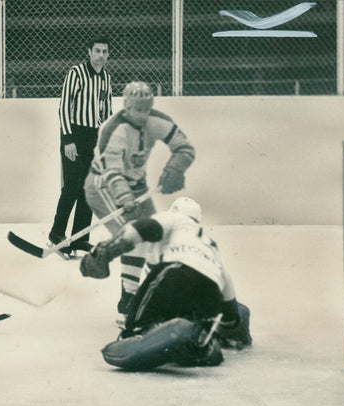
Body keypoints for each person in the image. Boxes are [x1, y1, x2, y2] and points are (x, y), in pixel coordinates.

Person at [79, 197, 251, 370]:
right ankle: (201, 344)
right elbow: (226, 283)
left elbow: (144, 230)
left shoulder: (174, 219)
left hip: (178, 271)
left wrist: (107, 250)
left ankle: (139, 331)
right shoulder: (209, 243)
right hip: (211, 287)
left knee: (140, 319)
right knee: (186, 317)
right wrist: (232, 322)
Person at [84, 80, 196, 326]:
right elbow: (111, 170)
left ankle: (147, 295)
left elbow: (185, 148)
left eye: (146, 109)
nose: (142, 115)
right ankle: (129, 300)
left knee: (155, 236)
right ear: (126, 106)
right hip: (103, 186)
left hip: (138, 189)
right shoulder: (114, 129)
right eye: (137, 109)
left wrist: (175, 168)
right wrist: (124, 196)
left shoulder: (157, 121)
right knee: (134, 236)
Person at [48, 35, 112, 259]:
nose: (101, 55)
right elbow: (64, 108)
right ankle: (56, 233)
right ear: (89, 52)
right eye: (97, 51)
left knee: (89, 189)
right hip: (75, 133)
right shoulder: (76, 73)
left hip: (94, 137)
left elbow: (107, 113)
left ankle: (79, 237)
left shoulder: (106, 77)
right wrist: (68, 140)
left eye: (105, 52)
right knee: (72, 186)